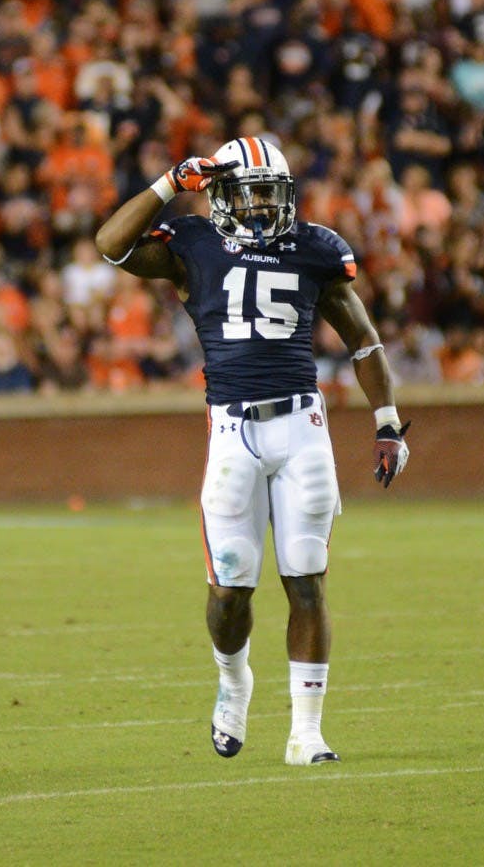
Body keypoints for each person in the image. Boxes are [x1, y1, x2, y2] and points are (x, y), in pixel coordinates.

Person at [94, 136, 410, 765]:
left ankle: (306, 733)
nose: (263, 205)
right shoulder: (193, 244)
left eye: (272, 192)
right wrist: (168, 183)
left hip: (302, 426)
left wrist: (388, 422)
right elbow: (111, 244)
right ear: (217, 195)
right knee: (231, 586)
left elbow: (365, 341)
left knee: (307, 576)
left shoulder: (314, 248)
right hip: (233, 431)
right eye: (250, 193)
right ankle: (234, 680)